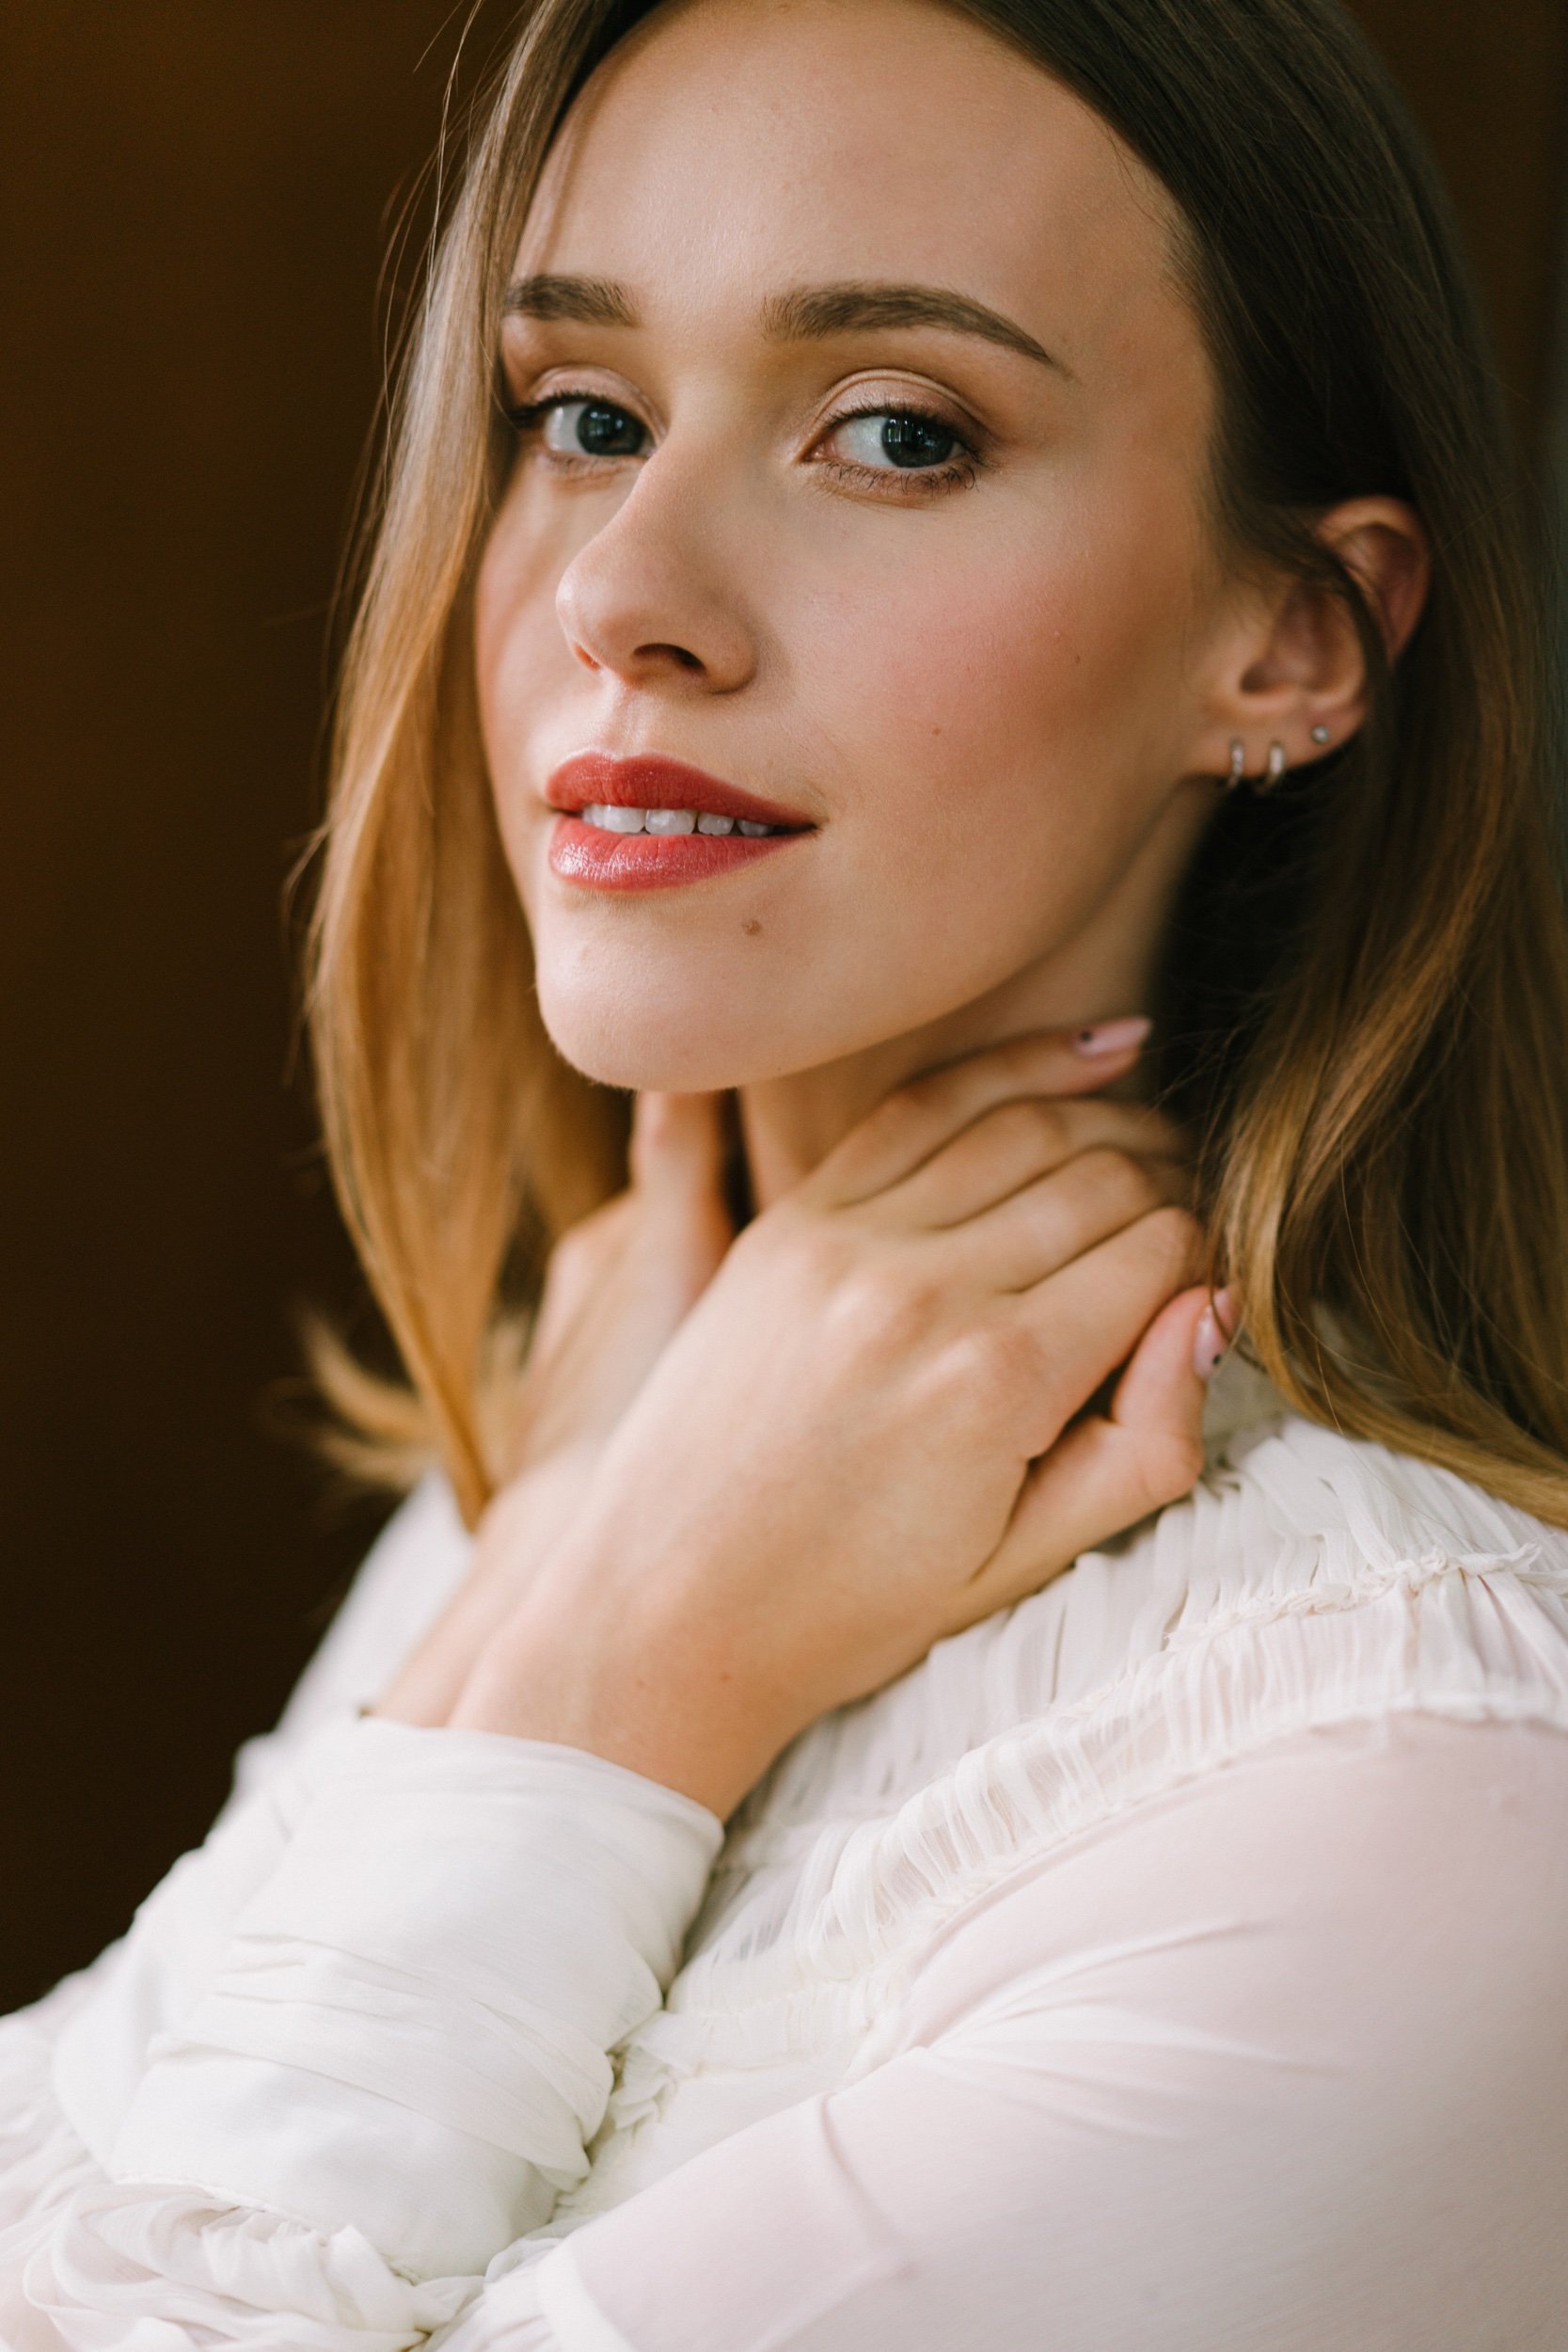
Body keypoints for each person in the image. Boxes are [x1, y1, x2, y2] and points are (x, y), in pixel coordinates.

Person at [6, 0, 1568, 2343]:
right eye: (584, 414)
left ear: (1291, 637)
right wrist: (594, 1562)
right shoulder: (635, 1409)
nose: (619, 589)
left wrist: (603, 1677)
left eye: (898, 431)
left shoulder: (1415, 1812)